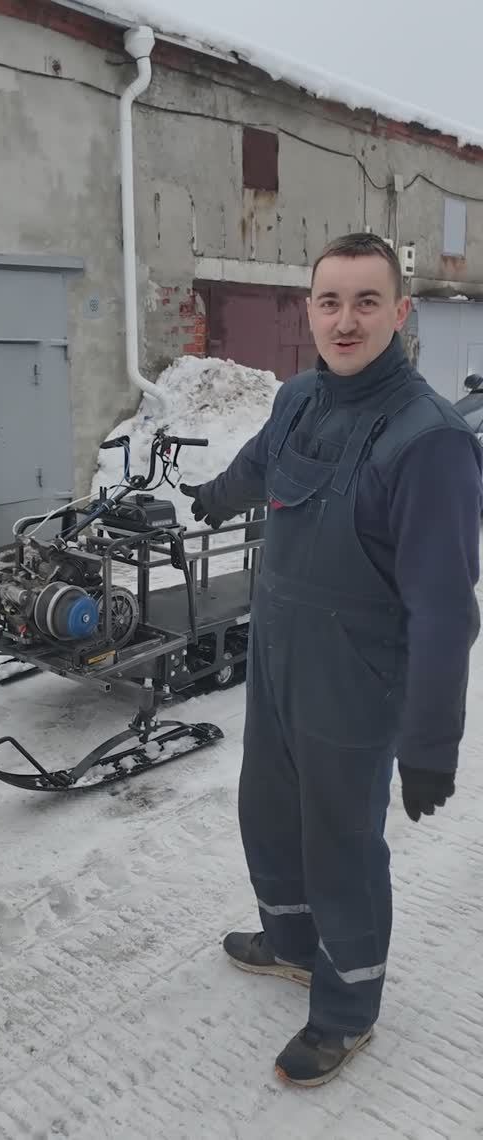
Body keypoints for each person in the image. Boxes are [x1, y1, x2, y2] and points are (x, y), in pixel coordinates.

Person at [180, 233, 482, 1087]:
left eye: (366, 302)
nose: (346, 321)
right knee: (269, 811)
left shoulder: (430, 442)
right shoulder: (300, 398)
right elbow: (260, 465)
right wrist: (213, 499)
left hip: (357, 681)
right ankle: (289, 942)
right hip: (278, 657)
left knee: (341, 845)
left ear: (400, 312)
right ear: (309, 310)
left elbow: (444, 611)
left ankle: (347, 1008)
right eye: (330, 301)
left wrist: (430, 745)